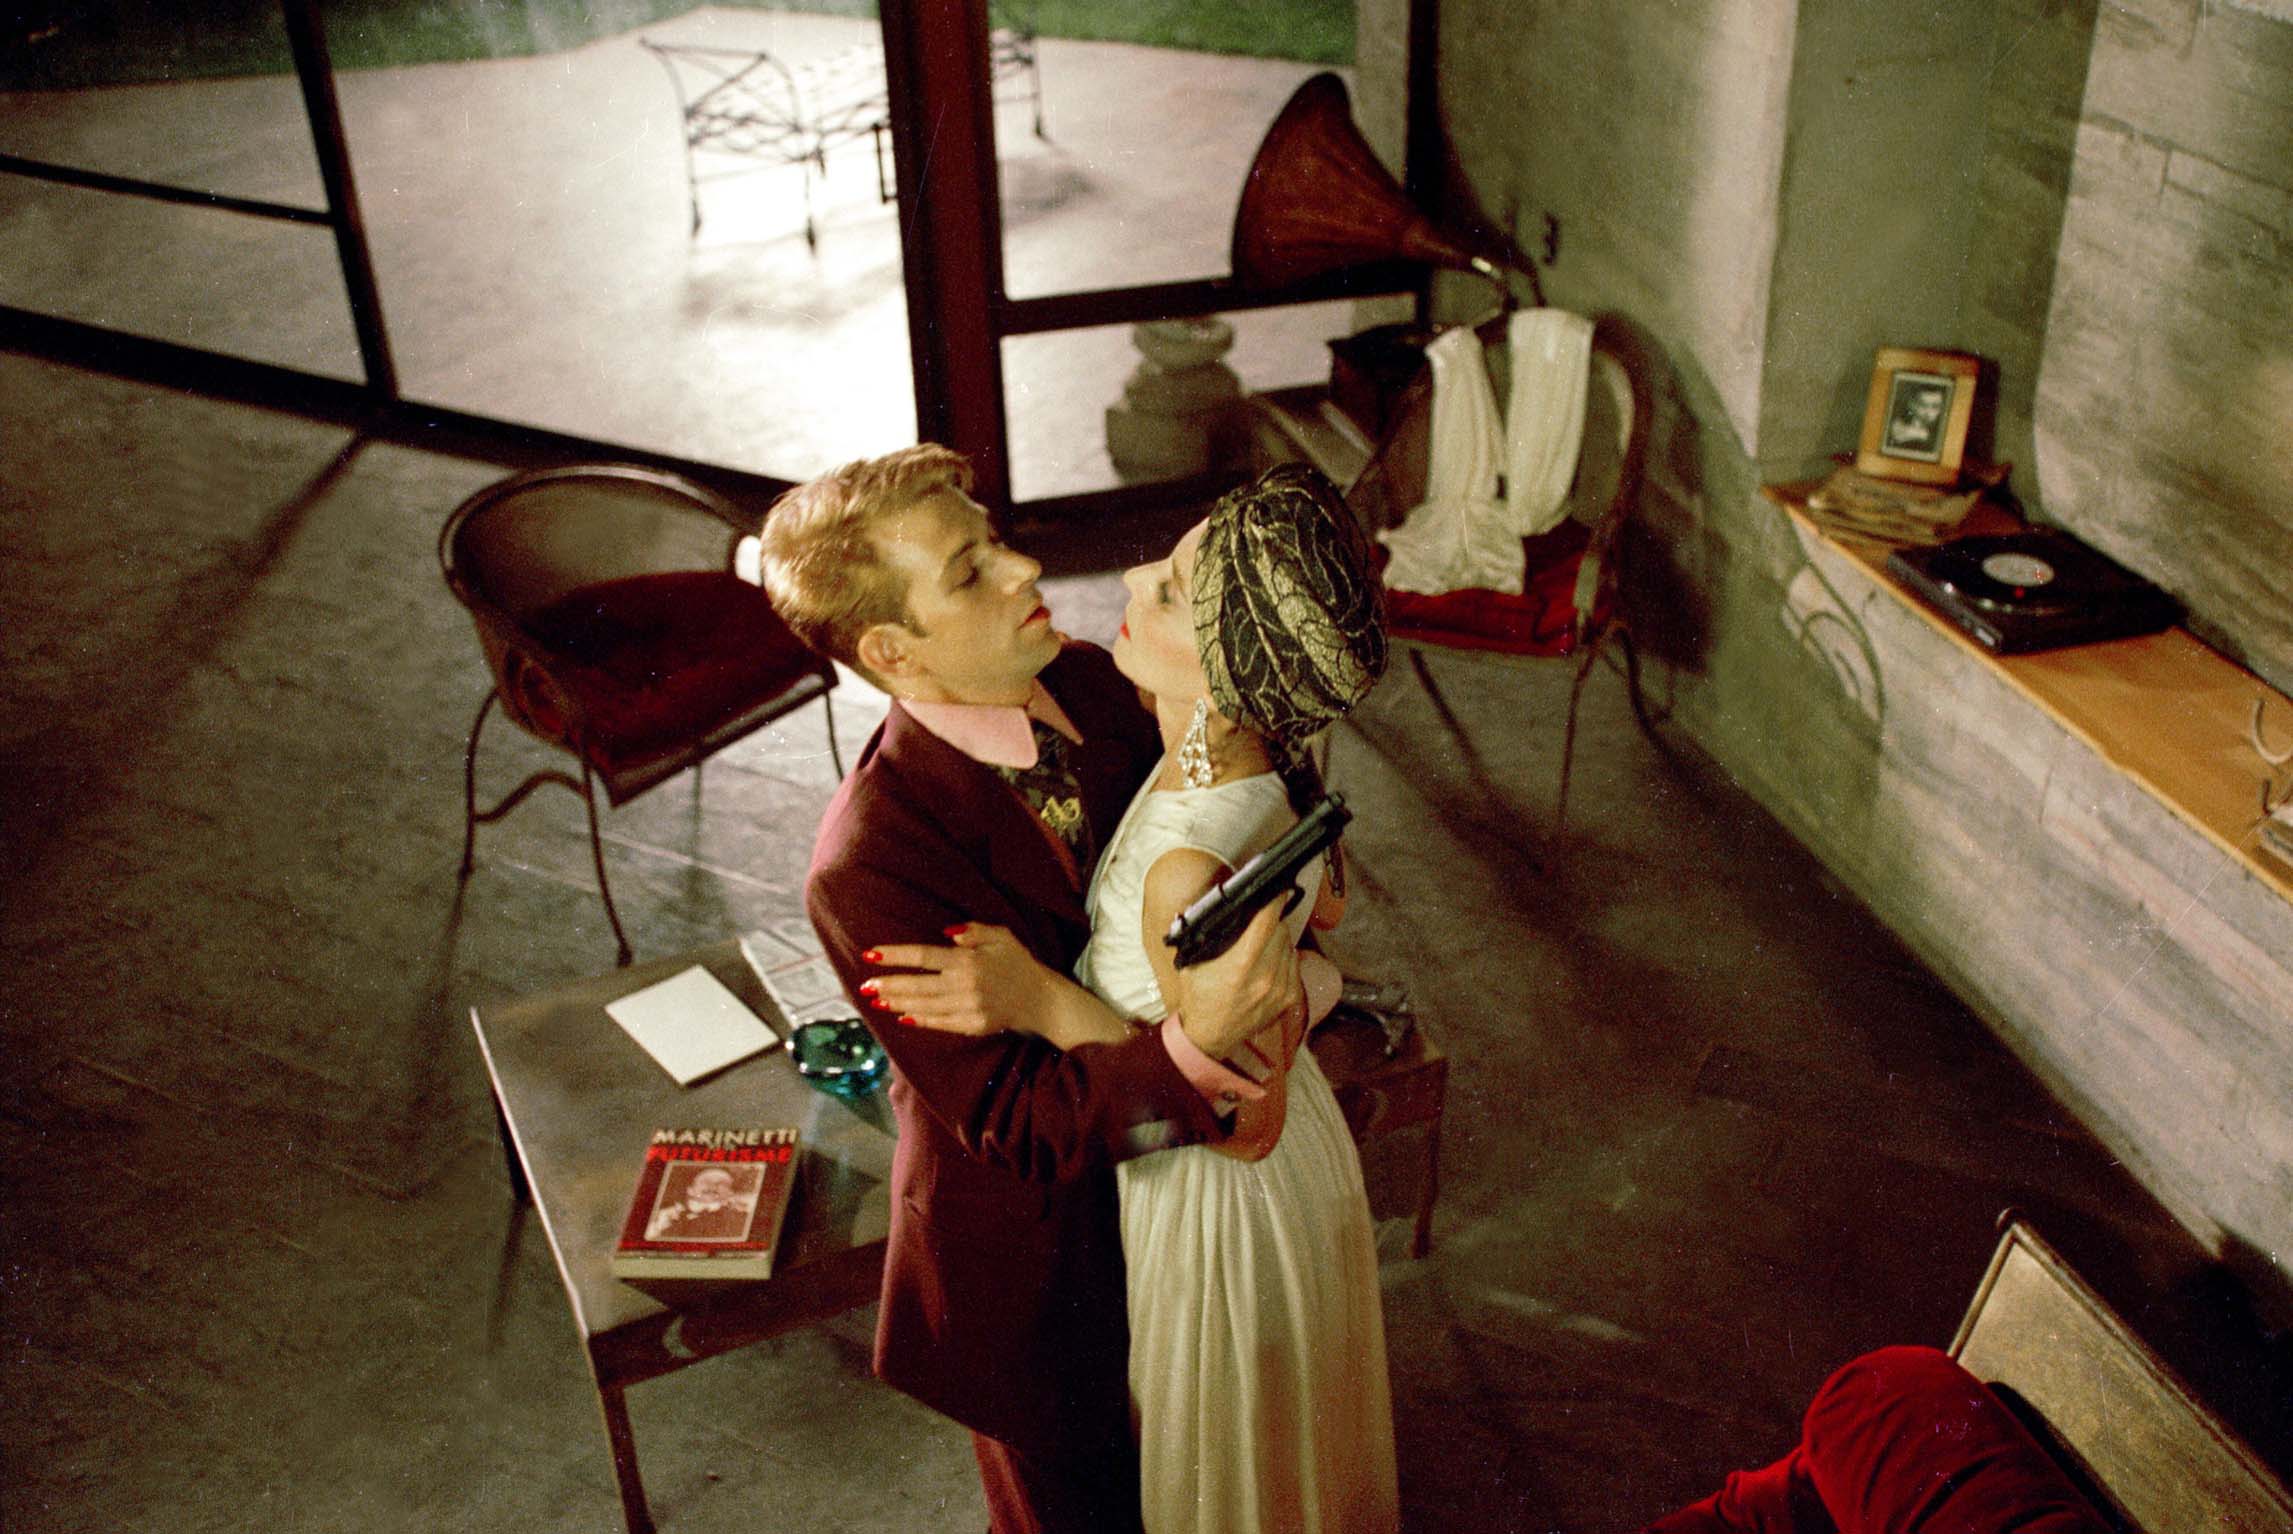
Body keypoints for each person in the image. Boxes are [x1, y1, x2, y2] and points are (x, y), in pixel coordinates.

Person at [757, 445, 1313, 1534]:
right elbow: (1016, 1122)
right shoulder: (868, 865)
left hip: (1187, 1223)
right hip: (1047, 1274)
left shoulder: (1092, 679)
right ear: (891, 651)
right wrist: (1198, 1054)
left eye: (995, 541)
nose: (1023, 570)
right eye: (969, 573)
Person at [873, 464, 1402, 1534]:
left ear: (1225, 668)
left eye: (1167, 590)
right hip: (1264, 1161)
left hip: (1213, 1186)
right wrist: (1305, 983)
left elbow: (1244, 1125)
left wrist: (1038, 999)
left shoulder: (1180, 869)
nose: (1128, 576)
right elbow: (1323, 920)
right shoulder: (1250, 768)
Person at [643, 1165, 757, 1241]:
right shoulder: (664, 1217)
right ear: (690, 1190)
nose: (713, 1186)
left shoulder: (742, 1218)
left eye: (722, 1183)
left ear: (730, 1192)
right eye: (705, 1181)